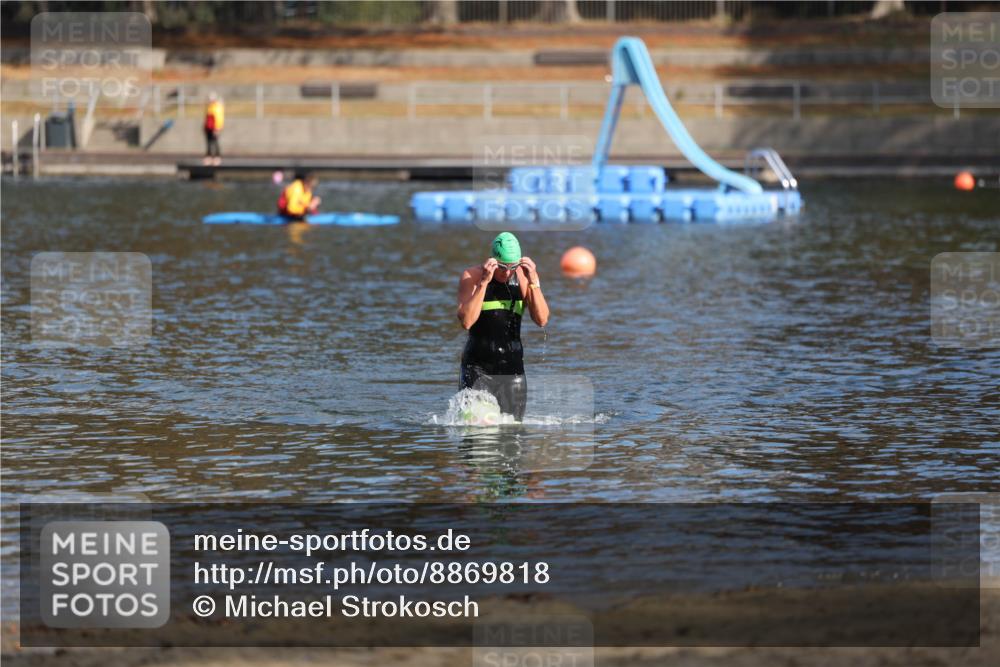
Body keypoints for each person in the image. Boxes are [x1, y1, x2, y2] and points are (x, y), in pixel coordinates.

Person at [457, 232, 549, 421]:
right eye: (501, 267)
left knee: (512, 439)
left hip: (512, 371)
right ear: (492, 260)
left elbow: (542, 320)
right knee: (475, 437)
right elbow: (466, 321)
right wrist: (484, 283)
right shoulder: (472, 277)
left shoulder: (523, 278)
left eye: (513, 267)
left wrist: (533, 281)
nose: (507, 273)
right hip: (477, 369)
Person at [203, 92, 224, 166]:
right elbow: (207, 118)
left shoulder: (217, 107)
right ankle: (209, 156)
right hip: (208, 127)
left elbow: (219, 119)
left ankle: (217, 157)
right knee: (208, 142)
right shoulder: (209, 107)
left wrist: (217, 128)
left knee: (215, 142)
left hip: (214, 128)